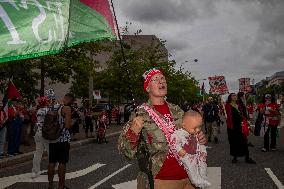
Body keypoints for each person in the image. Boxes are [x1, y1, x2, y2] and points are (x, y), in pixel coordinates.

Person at [118, 68, 206, 189]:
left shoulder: (177, 110)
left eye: (163, 78)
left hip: (190, 176)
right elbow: (126, 154)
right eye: (155, 79)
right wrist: (133, 133)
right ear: (147, 88)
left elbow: (190, 134)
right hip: (162, 180)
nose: (161, 81)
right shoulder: (139, 114)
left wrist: (198, 136)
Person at [170, 111, 210, 188]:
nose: (198, 130)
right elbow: (174, 142)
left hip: (197, 155)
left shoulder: (195, 133)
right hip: (187, 157)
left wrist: (203, 152)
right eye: (195, 127)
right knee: (191, 168)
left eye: (199, 127)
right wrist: (179, 150)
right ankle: (196, 181)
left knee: (203, 166)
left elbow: (200, 144)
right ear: (184, 125)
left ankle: (203, 177)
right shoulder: (178, 134)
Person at [48, 93, 75, 189]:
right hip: (62, 139)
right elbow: (67, 126)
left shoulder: (54, 107)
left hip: (52, 138)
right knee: (62, 162)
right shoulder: (67, 108)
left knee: (51, 162)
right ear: (70, 100)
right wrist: (71, 123)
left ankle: (50, 185)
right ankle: (61, 186)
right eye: (72, 101)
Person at [225, 93, 256, 164]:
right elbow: (228, 115)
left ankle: (247, 158)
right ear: (230, 97)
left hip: (240, 126)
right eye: (233, 95)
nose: (235, 96)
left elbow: (242, 114)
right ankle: (235, 157)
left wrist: (245, 120)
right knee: (234, 142)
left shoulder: (239, 105)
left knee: (244, 141)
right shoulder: (227, 105)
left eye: (235, 95)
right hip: (232, 127)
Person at [31, 96, 50, 178]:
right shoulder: (48, 111)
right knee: (51, 152)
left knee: (38, 153)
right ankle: (54, 166)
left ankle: (35, 172)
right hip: (46, 134)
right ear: (46, 102)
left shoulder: (38, 111)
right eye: (47, 101)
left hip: (38, 133)